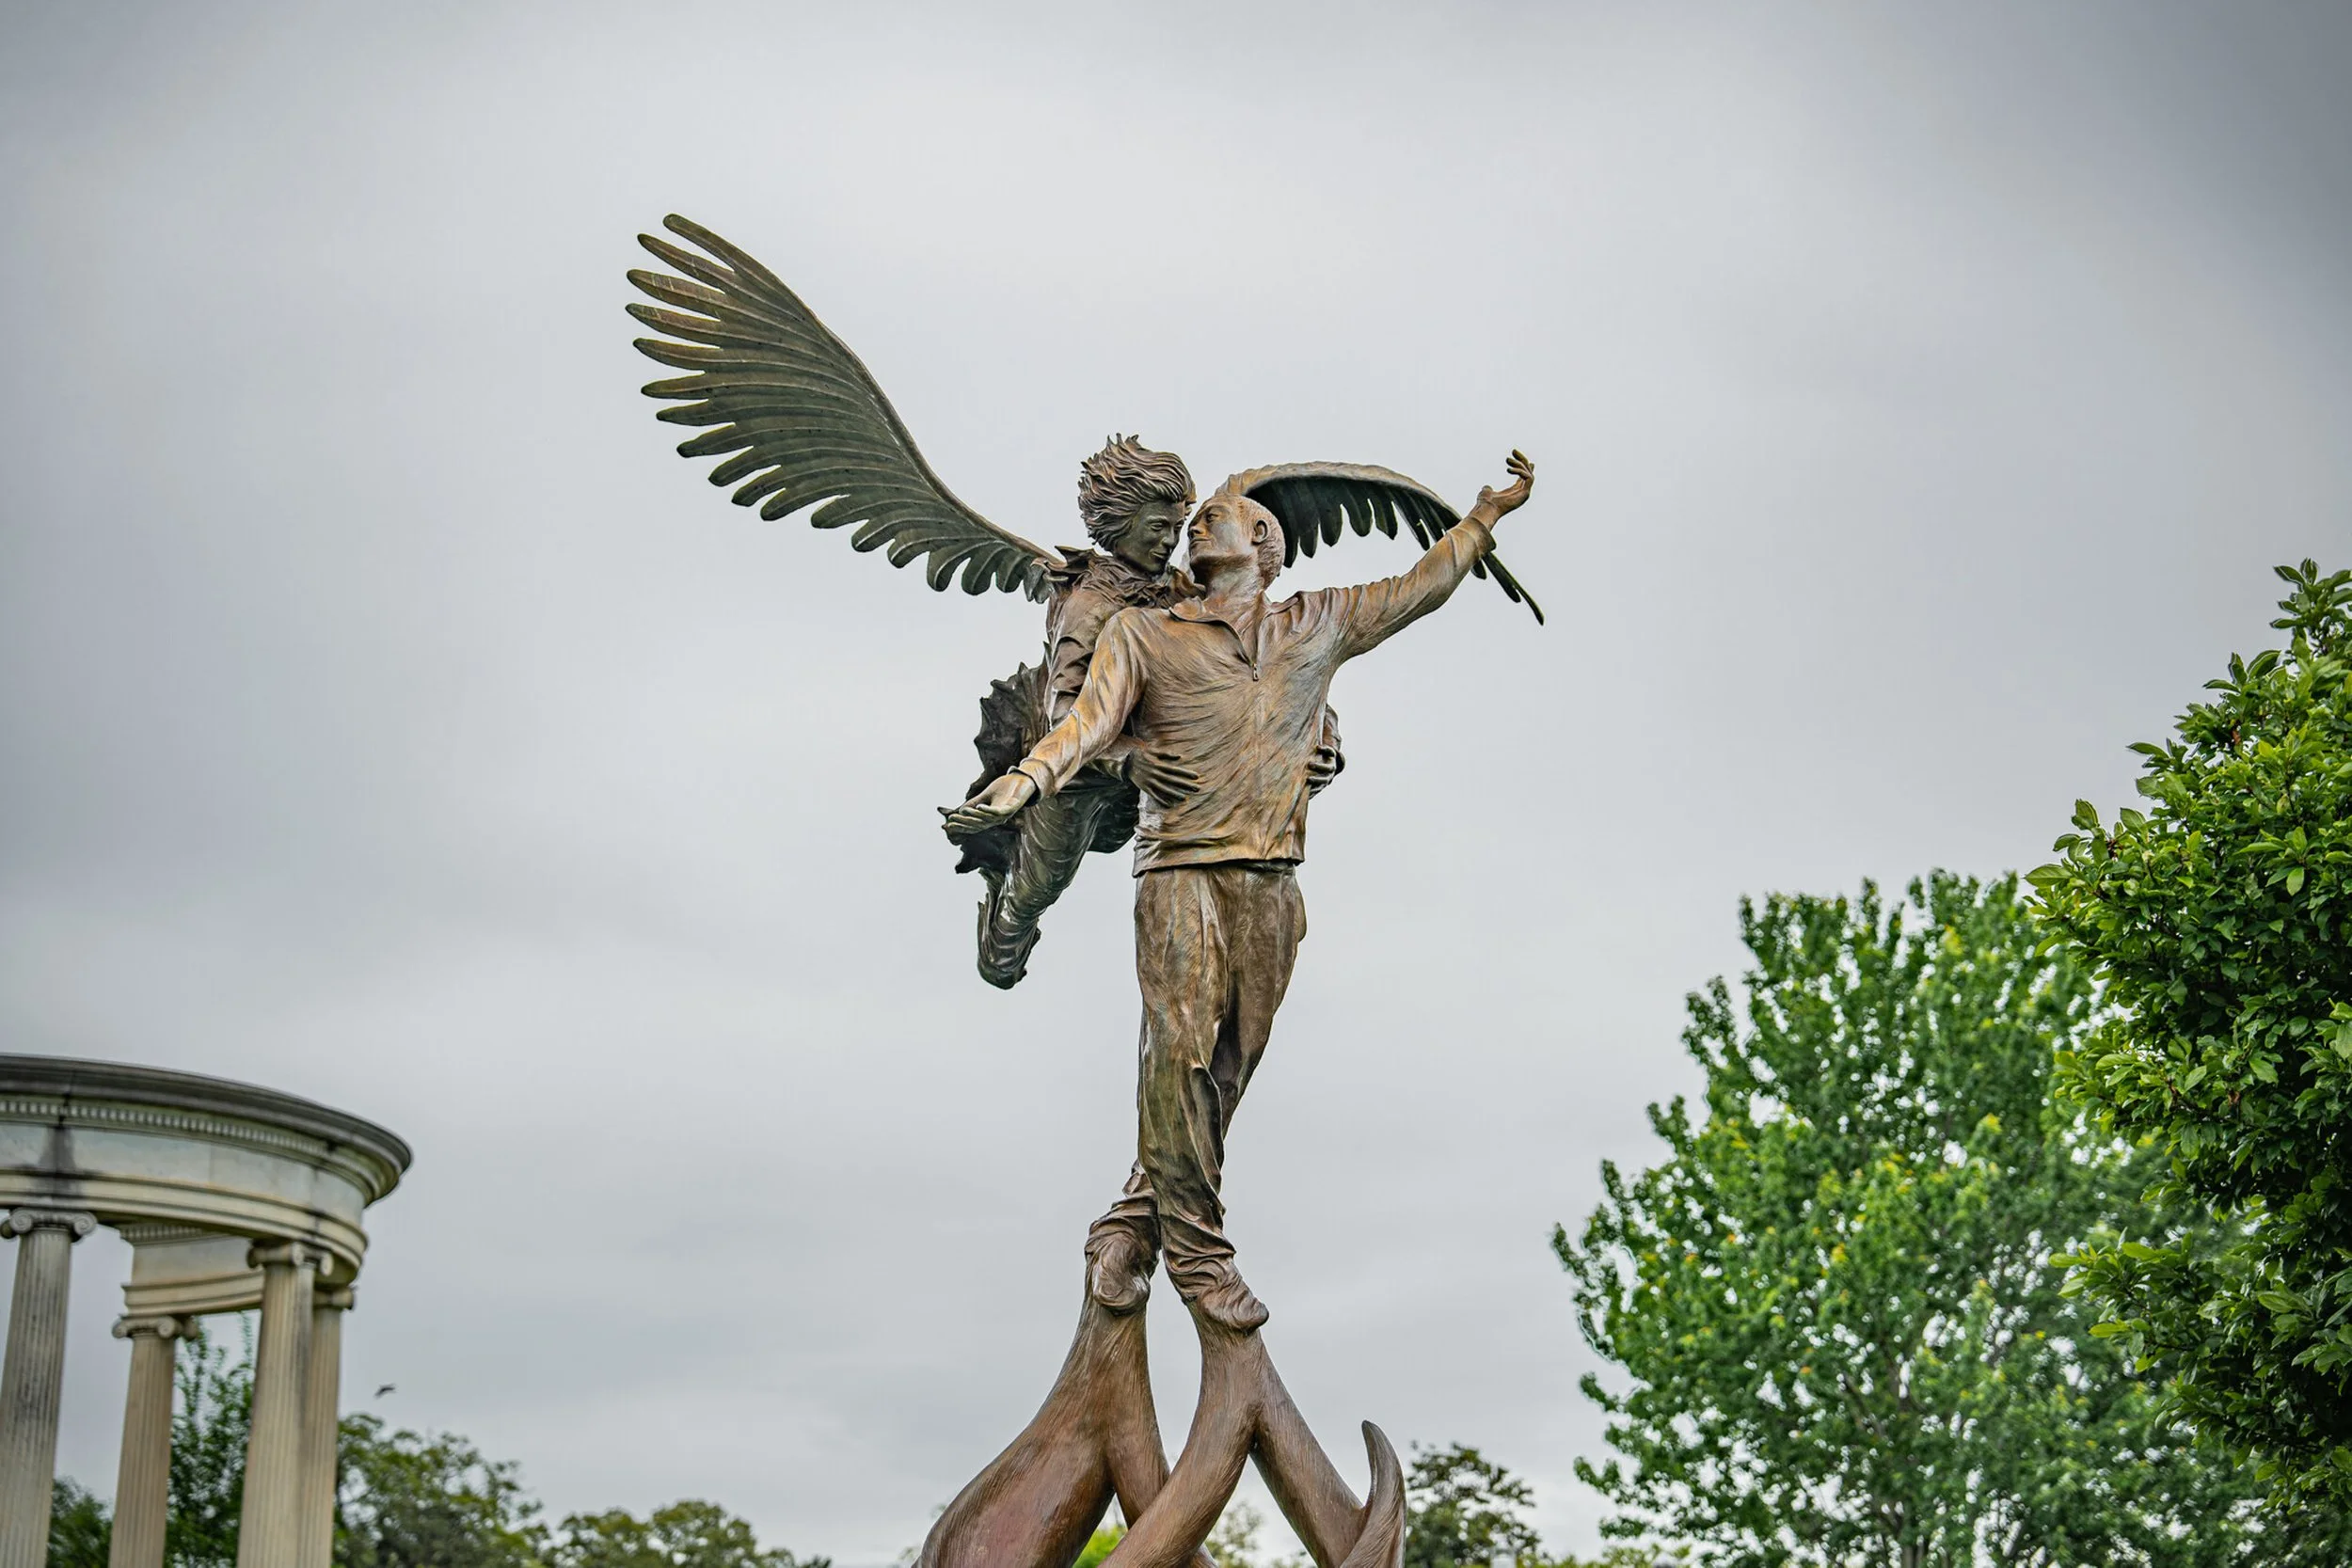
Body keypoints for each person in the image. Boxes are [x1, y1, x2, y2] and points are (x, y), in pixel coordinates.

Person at [945, 451, 1536, 1331]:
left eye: (1205, 514)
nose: (1190, 524)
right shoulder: (1124, 625)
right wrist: (1028, 780)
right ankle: (1198, 1253)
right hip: (1168, 852)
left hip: (1272, 876)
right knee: (1173, 1049)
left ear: (1262, 541)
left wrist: (1486, 514)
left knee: (1223, 1071)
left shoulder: (1313, 623)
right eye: (1176, 518)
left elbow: (1415, 589)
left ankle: (1129, 1225)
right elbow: (1083, 721)